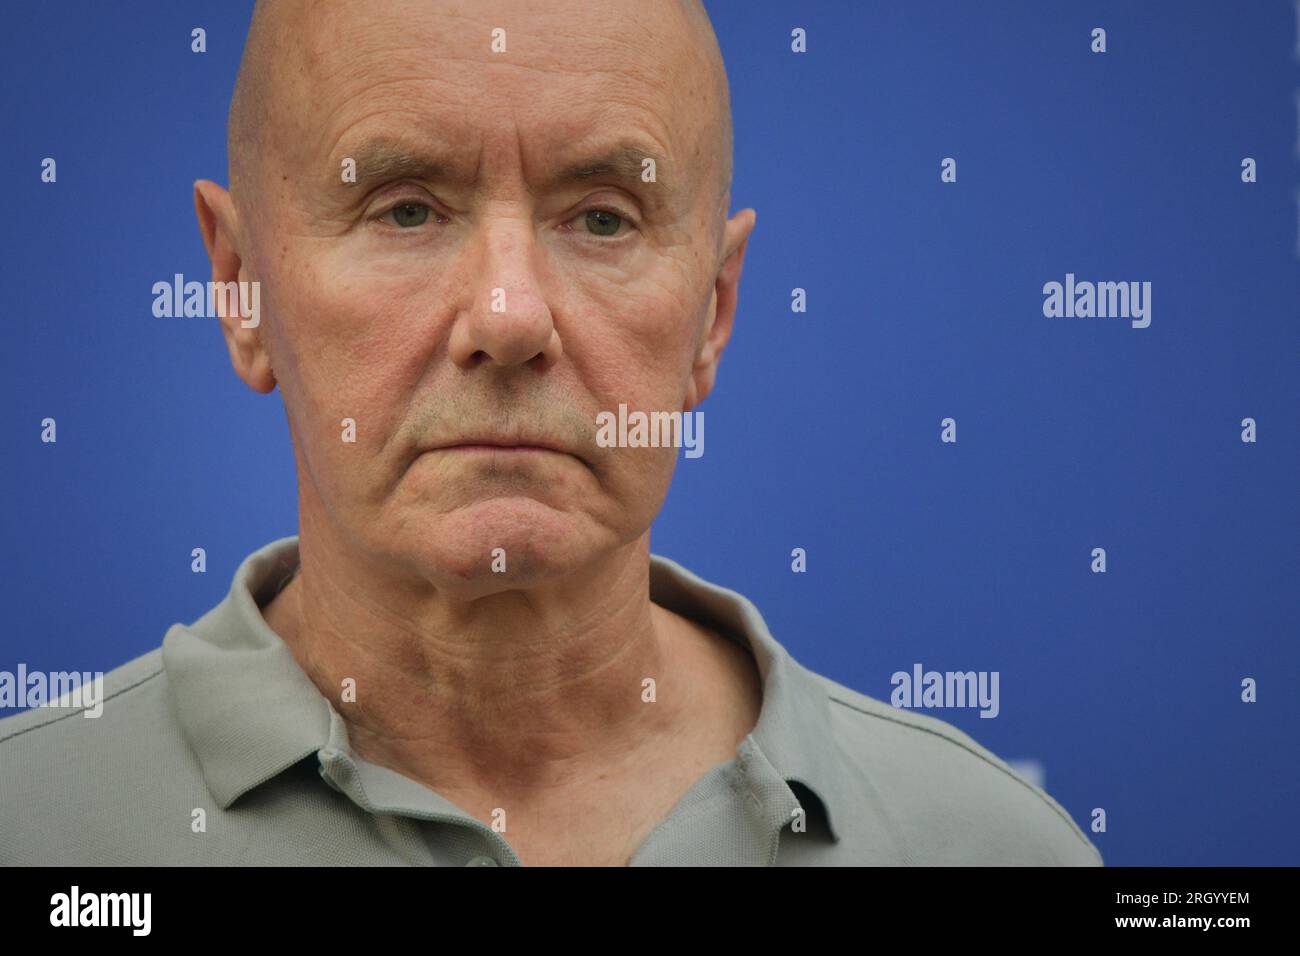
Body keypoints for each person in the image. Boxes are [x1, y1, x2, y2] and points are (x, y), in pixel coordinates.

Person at [0, 0, 1102, 866]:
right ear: (241, 291)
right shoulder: (34, 830)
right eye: (405, 207)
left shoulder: (986, 849)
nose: (510, 317)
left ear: (712, 313)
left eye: (604, 217)